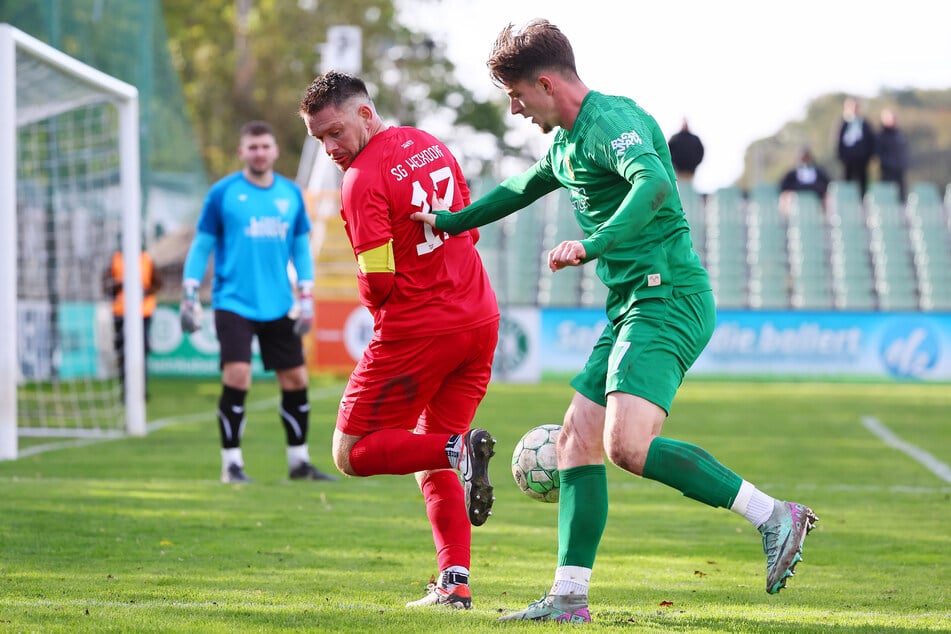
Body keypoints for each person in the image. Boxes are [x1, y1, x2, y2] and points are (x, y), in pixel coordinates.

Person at [412, 19, 818, 623]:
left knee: (626, 446)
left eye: (517, 96)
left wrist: (592, 244)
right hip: (630, 305)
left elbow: (653, 184)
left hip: (667, 296)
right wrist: (451, 220)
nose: (517, 109)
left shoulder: (611, 123)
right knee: (578, 438)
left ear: (546, 83)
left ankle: (774, 515)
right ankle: (569, 599)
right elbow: (520, 187)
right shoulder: (567, 142)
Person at [298, 71, 501, 610]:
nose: (330, 149)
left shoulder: (362, 178)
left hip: (419, 330)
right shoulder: (431, 145)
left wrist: (381, 297)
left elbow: (381, 281)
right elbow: (469, 227)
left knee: (351, 452)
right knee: (430, 456)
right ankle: (454, 582)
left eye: (335, 132)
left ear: (366, 113)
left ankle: (460, 449)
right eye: (319, 139)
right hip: (479, 318)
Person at [180, 120, 336, 484]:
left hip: (279, 303)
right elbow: (202, 243)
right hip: (233, 301)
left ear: (275, 150)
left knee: (296, 379)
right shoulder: (223, 193)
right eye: (253, 147)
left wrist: (307, 294)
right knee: (238, 376)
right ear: (242, 152)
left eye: (265, 146)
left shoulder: (290, 194)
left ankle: (299, 463)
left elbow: (300, 246)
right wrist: (190, 292)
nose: (259, 153)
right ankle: (231, 464)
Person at [102, 245, 162, 399]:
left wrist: (144, 291)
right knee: (124, 351)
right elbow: (106, 285)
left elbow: (157, 283)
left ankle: (141, 390)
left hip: (143, 312)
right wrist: (120, 284)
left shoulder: (146, 259)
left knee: (141, 350)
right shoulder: (116, 259)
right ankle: (125, 391)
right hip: (121, 312)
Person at [836, 96, 876, 196]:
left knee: (862, 181)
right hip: (848, 159)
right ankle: (847, 199)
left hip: (862, 159)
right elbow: (838, 141)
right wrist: (841, 156)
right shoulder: (843, 122)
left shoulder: (864, 123)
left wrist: (869, 156)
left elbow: (871, 140)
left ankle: (863, 201)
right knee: (847, 181)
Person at [876, 108, 909, 202]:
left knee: (901, 194)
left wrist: (903, 163)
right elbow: (878, 153)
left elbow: (904, 150)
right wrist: (888, 163)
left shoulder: (899, 133)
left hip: (899, 168)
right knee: (887, 194)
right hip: (887, 170)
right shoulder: (881, 135)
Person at [667, 117, 705, 183]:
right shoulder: (675, 138)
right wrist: (674, 165)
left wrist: (694, 164)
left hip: (691, 171)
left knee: (688, 188)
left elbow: (701, 152)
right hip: (678, 171)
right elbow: (667, 152)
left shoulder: (694, 139)